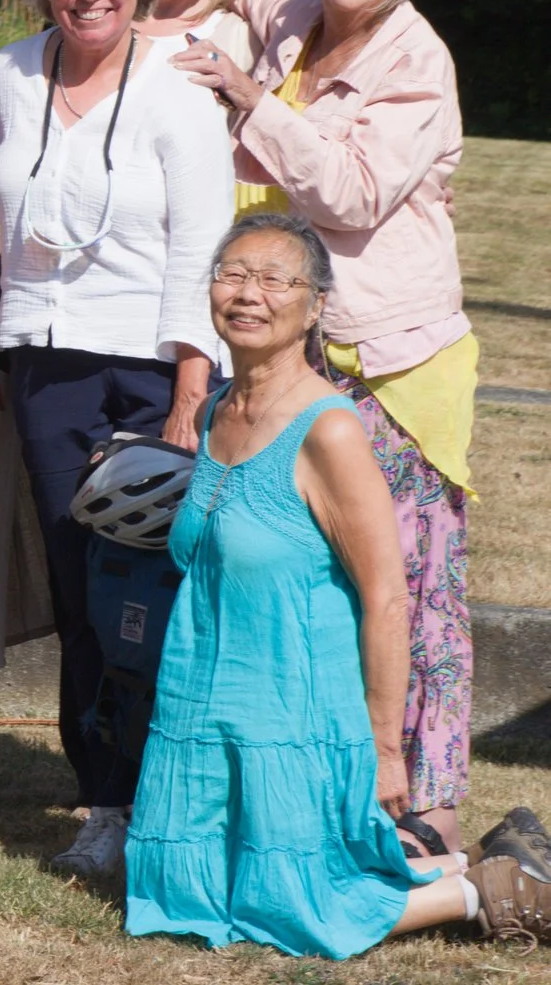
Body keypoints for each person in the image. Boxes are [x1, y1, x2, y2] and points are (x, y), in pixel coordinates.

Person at [126, 214, 551, 953]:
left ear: (315, 304)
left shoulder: (330, 428)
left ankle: (482, 888)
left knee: (295, 915)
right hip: (204, 712)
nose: (248, 293)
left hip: (296, 719)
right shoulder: (219, 408)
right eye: (233, 273)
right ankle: (466, 857)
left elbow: (389, 597)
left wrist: (387, 749)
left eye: (274, 279)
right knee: (182, 897)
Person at [174, 0, 471, 850]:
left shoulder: (414, 61)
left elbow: (347, 193)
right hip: (292, 349)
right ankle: (321, 785)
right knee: (310, 578)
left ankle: (423, 805)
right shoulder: (291, 17)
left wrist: (253, 100)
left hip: (390, 359)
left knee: (404, 581)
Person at [0, 0, 234, 878]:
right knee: (83, 591)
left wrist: (190, 401)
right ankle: (104, 804)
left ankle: (178, 801)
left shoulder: (178, 88)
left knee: (158, 591)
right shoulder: (13, 79)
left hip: (157, 371)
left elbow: (202, 248)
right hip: (44, 363)